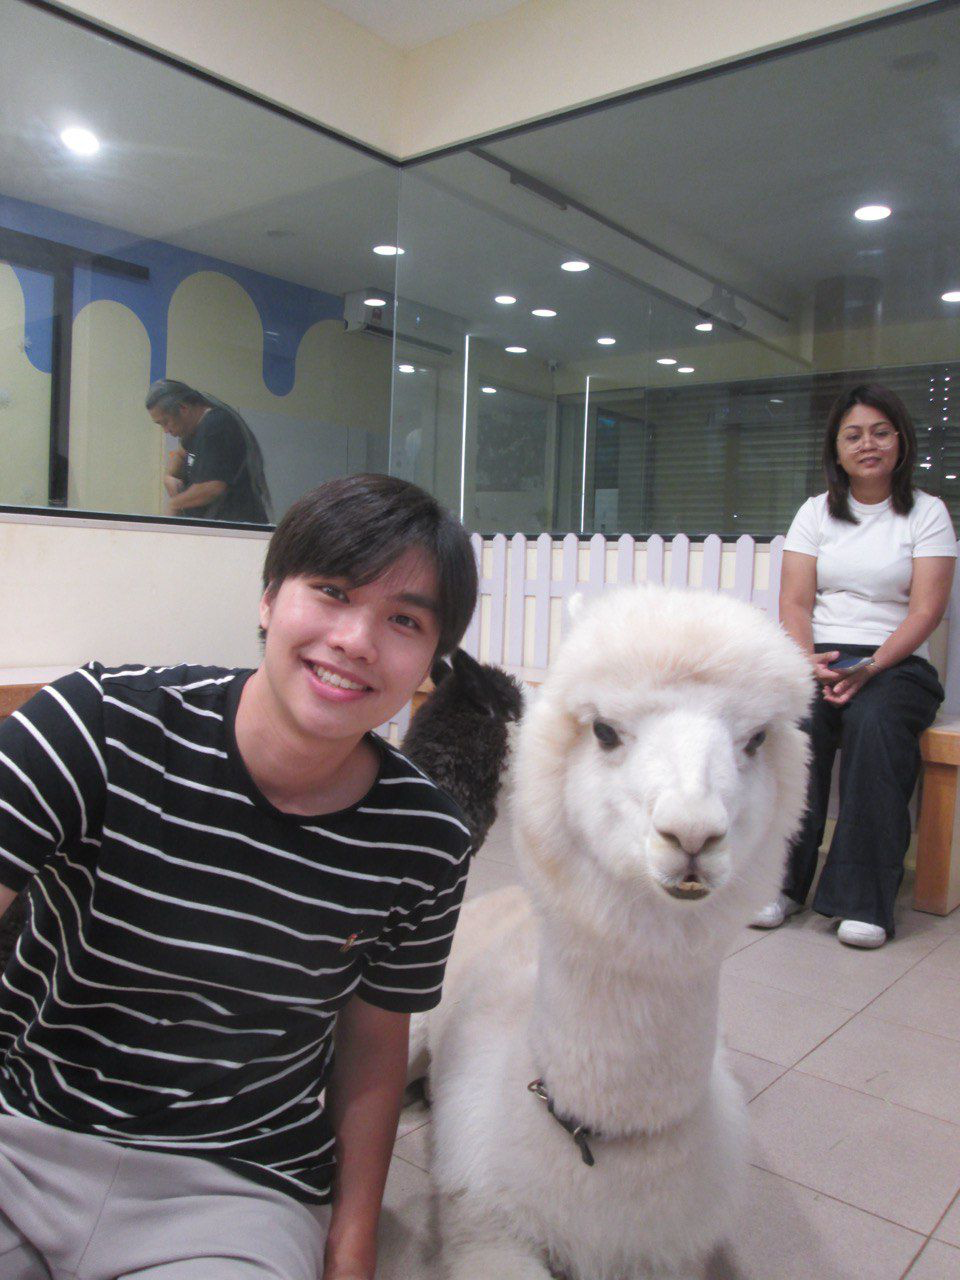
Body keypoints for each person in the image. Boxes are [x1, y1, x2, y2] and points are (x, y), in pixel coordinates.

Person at [0, 474, 478, 1279]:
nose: (356, 640)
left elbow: (373, 1046)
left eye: (403, 620)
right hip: (23, 1139)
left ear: (433, 659)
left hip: (237, 1189)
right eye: (332, 592)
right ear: (267, 598)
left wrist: (352, 1241)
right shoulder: (98, 723)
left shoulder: (425, 839)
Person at [753, 384, 957, 948]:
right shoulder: (815, 513)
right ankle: (777, 884)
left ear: (901, 441)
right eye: (854, 435)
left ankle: (864, 901)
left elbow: (926, 611)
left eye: (880, 432)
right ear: (837, 450)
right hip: (821, 656)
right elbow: (795, 603)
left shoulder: (928, 513)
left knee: (876, 723)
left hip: (896, 664)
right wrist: (807, 662)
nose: (868, 444)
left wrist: (871, 666)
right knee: (797, 724)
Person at [146, 379, 273, 523]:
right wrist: (169, 475)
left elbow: (211, 488)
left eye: (165, 422)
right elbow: (181, 453)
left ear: (183, 408)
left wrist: (174, 504)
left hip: (235, 525)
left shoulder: (216, 426)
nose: (165, 430)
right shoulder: (193, 430)